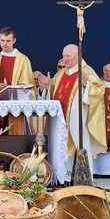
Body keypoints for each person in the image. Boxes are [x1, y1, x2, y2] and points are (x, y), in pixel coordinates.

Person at [38, 44, 99, 183]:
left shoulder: (87, 71)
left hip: (77, 120)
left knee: (79, 143)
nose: (65, 59)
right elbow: (53, 92)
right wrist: (47, 86)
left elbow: (98, 91)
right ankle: (60, 178)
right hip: (60, 120)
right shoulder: (61, 73)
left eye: (68, 56)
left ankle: (81, 178)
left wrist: (86, 85)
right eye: (64, 56)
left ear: (77, 56)